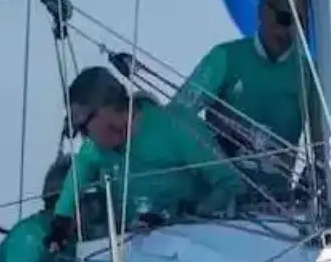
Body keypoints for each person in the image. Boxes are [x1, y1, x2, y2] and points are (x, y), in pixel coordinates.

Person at [53, 66, 243, 240]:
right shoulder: (95, 149)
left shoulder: (175, 126)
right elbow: (77, 175)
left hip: (194, 241)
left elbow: (231, 183)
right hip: (134, 254)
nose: (84, 137)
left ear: (105, 110)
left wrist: (193, 211)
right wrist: (61, 219)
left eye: (83, 127)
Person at [172, 0, 313, 194]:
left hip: (280, 210)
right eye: (285, 18)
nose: (289, 31)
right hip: (219, 206)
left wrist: (309, 186)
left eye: (300, 23)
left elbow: (326, 145)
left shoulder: (308, 75)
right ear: (262, 11)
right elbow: (177, 116)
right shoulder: (225, 57)